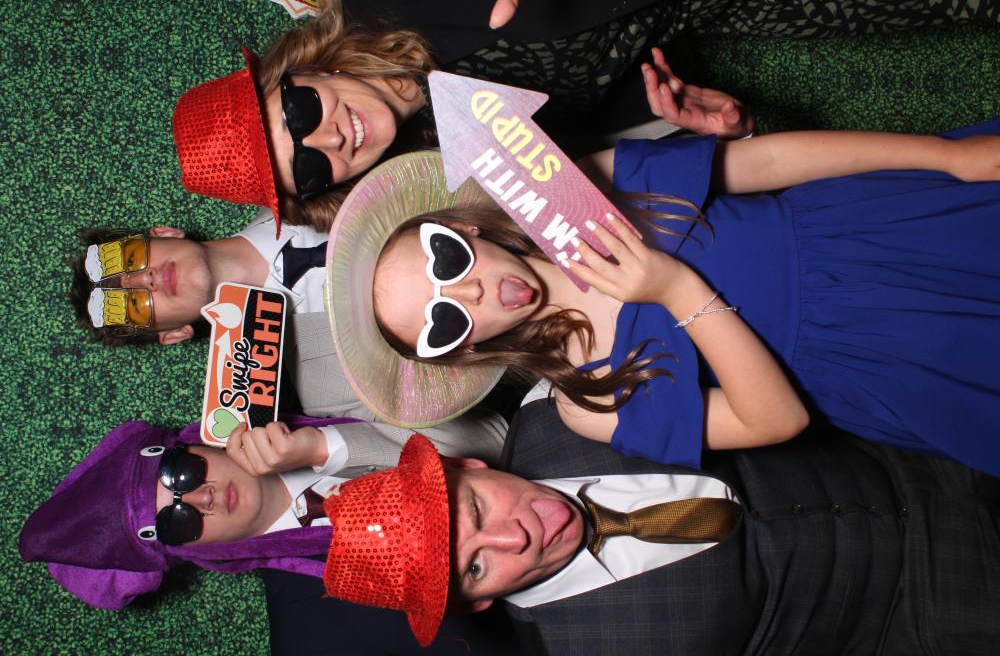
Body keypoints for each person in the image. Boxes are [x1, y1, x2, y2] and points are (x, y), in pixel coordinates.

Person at [322, 122, 1000, 478]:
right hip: (888, 360)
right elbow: (776, 420)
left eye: (446, 259)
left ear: (463, 228)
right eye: (445, 319)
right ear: (465, 347)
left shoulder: (579, 191)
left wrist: (948, 159)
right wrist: (675, 289)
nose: (468, 290)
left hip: (878, 225)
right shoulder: (587, 400)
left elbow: (764, 163)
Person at [172, 0, 998, 231]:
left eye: (299, 112)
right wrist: (709, 123)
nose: (327, 137)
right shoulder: (470, 155)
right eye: (309, 165)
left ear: (302, 68)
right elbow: (609, 105)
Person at [306, 400, 1000, 654]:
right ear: (476, 603)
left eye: (477, 512)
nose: (513, 538)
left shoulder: (558, 412)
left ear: (470, 465)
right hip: (944, 612)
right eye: (476, 566)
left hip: (917, 439)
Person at [17, 416, 521, 655]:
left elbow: (496, 436)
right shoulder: (318, 640)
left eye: (180, 475)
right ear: (191, 554)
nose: (201, 498)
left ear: (195, 444)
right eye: (176, 521)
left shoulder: (321, 381)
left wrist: (322, 446)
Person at [68, 209, 507, 465]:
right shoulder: (326, 392)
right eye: (131, 305)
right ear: (174, 334)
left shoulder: (299, 185)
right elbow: (486, 439)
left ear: (164, 234)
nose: (143, 280)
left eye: (129, 260)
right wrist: (317, 448)